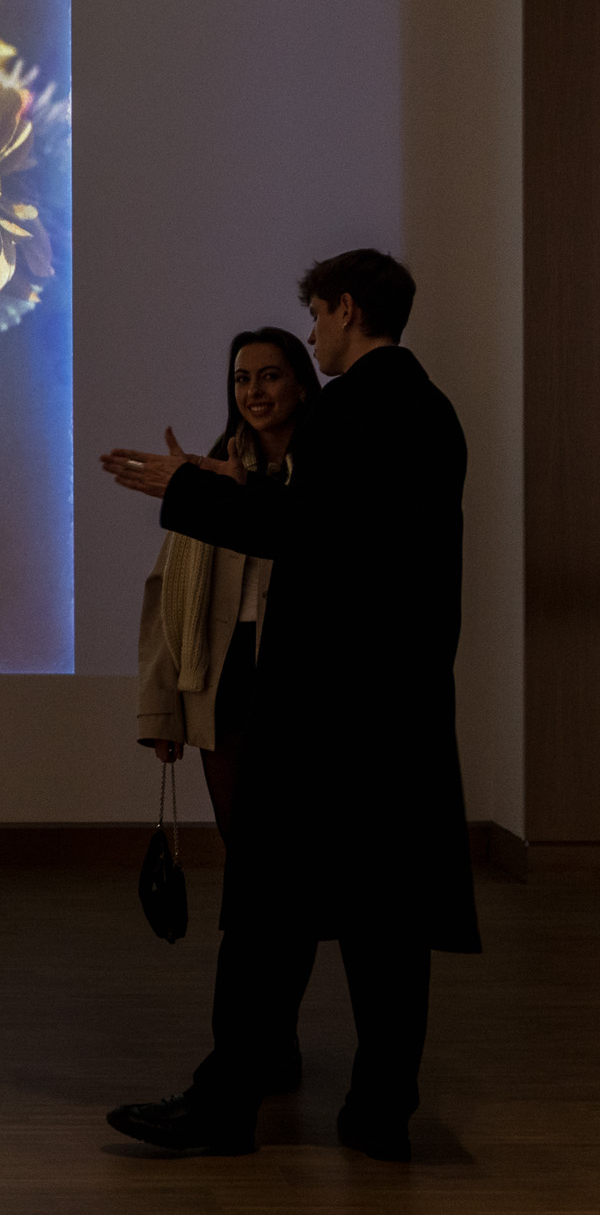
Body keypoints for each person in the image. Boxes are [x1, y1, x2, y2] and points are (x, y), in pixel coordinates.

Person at [98, 249, 480, 1163]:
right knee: (388, 929)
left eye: (316, 316)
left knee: (266, 916)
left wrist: (188, 489)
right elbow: (348, 530)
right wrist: (245, 486)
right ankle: (379, 1112)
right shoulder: (431, 410)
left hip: (324, 718)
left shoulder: (348, 410)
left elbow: (305, 535)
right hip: (401, 714)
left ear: (347, 309)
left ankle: (223, 1106)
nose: (313, 334)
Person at [139, 327, 320, 838]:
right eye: (242, 379)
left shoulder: (326, 476)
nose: (254, 392)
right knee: (239, 838)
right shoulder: (212, 475)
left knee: (300, 838)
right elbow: (165, 596)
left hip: (302, 675)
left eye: (270, 376)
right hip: (222, 680)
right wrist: (161, 716)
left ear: (301, 387)